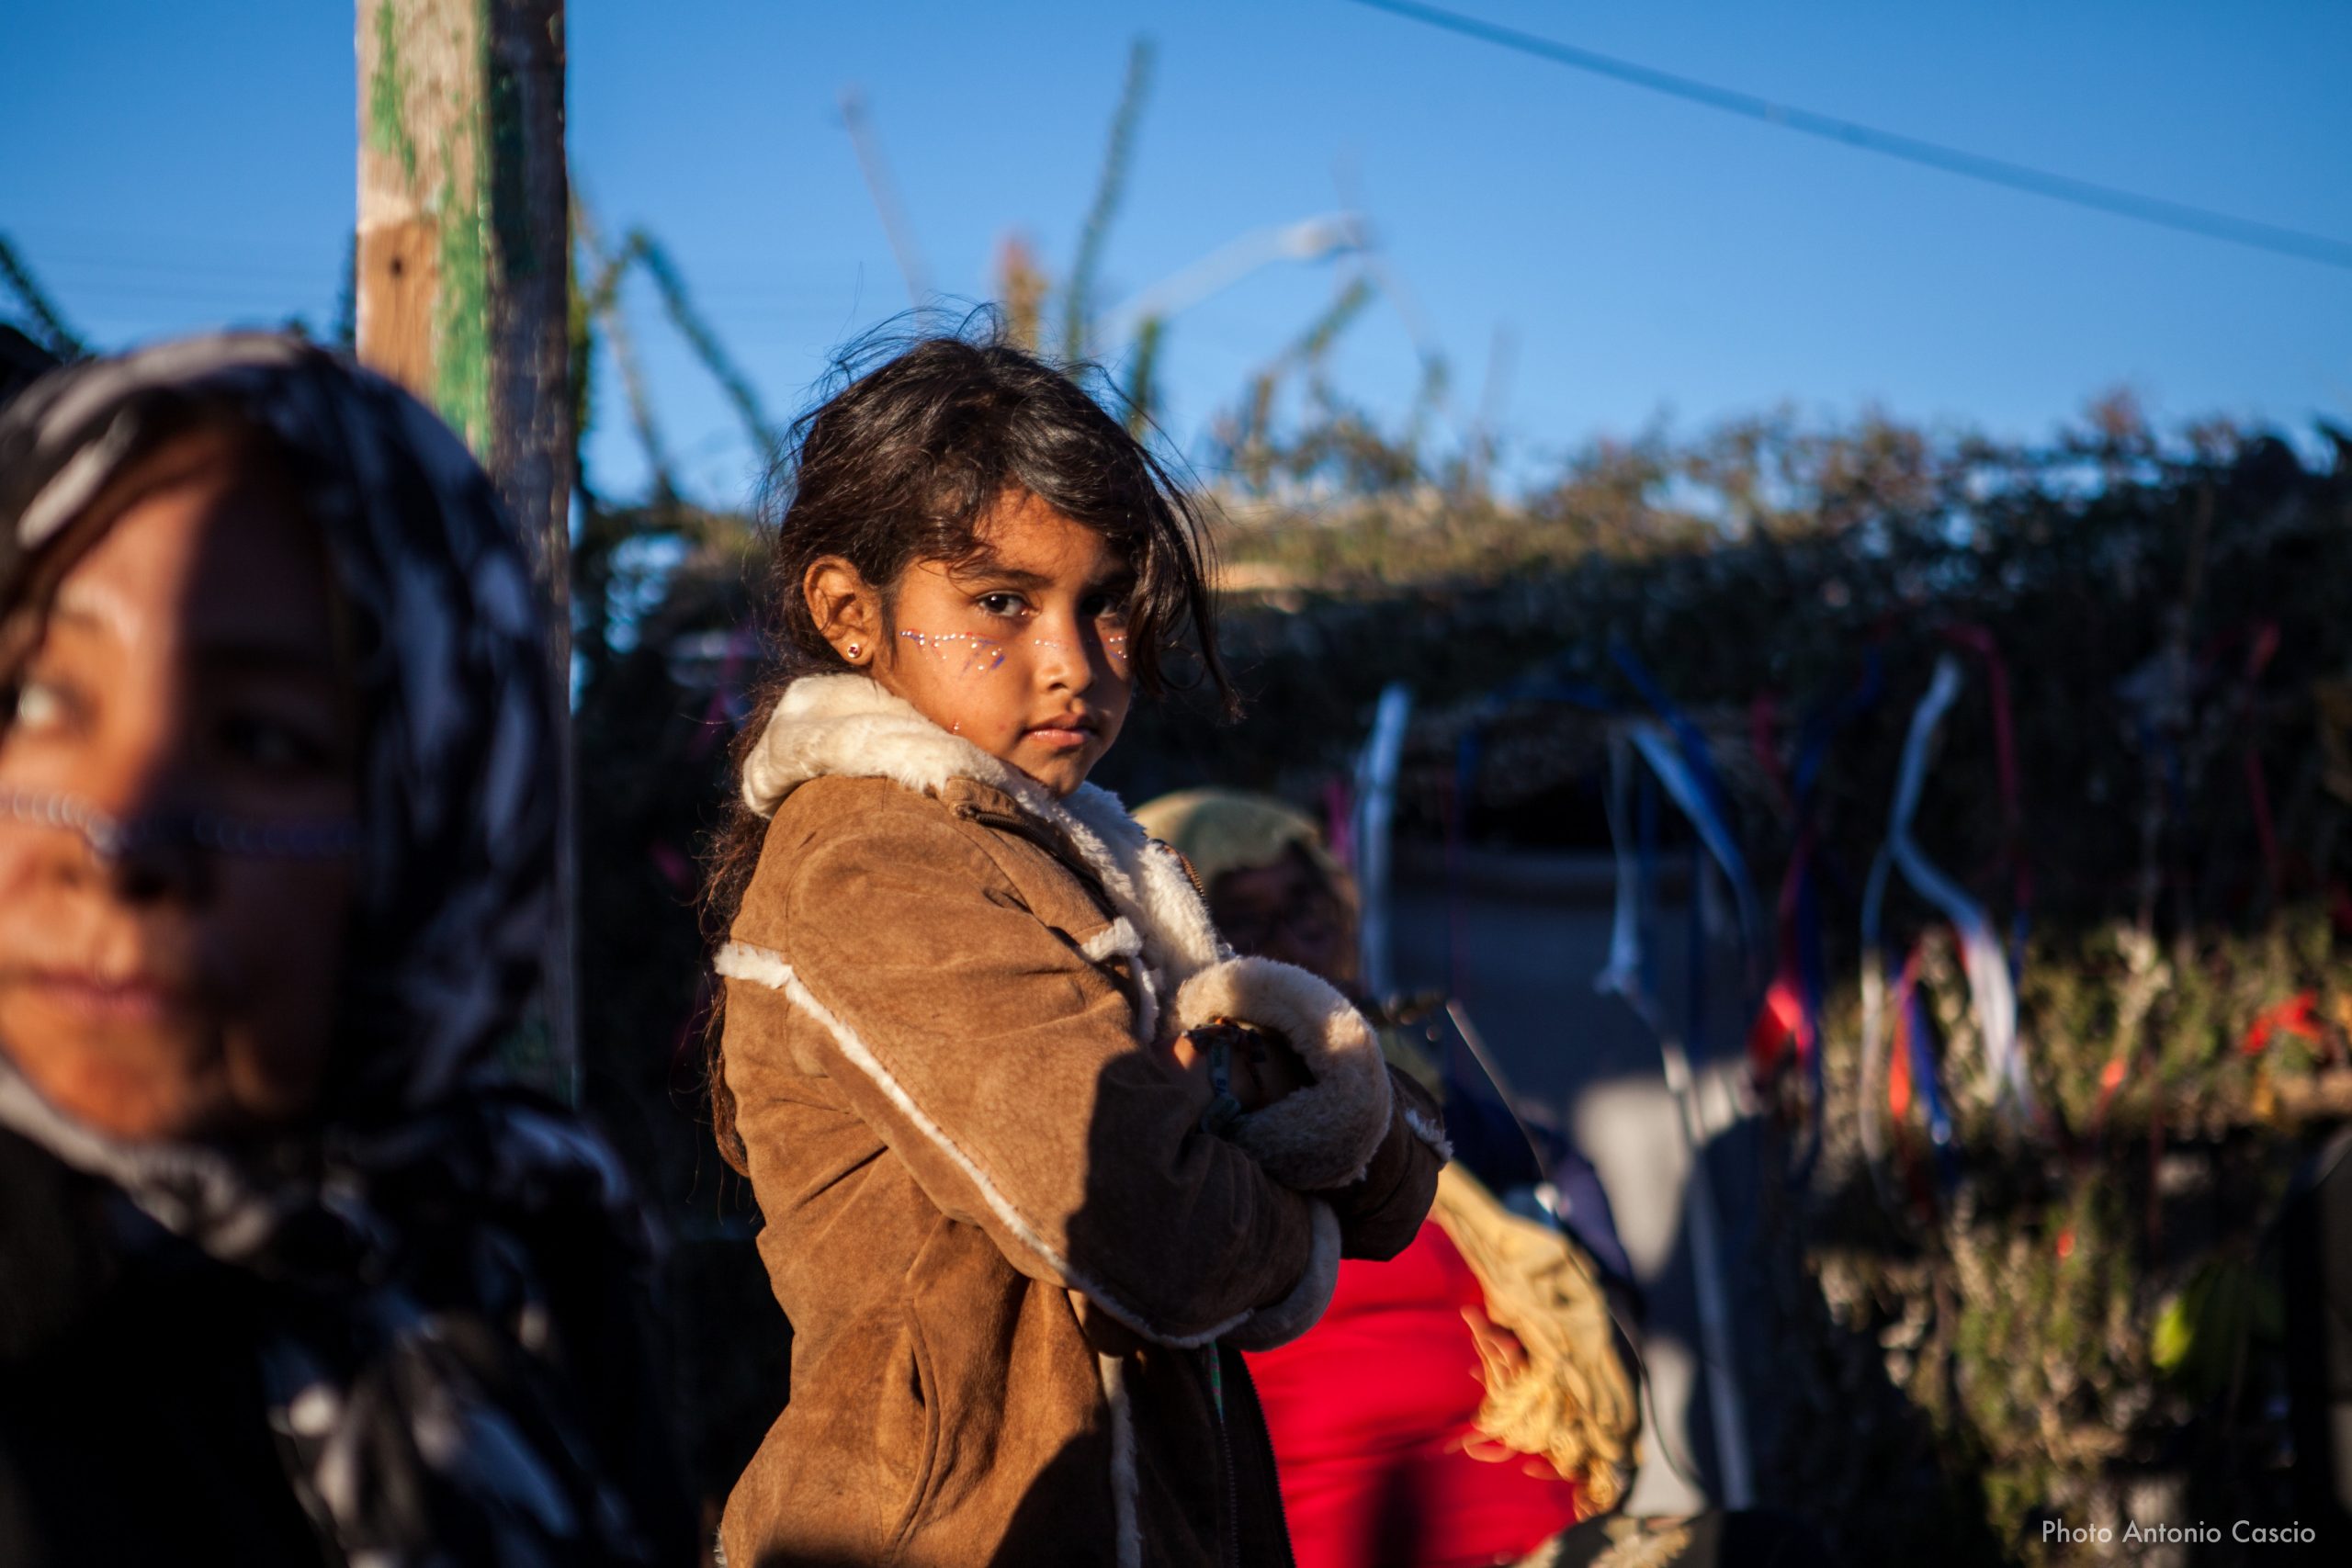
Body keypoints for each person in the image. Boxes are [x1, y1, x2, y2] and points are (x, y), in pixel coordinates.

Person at [700, 328, 1448, 1568]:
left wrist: (1255, 1111)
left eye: (1105, 602)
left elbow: (1396, 1179)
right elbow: (1142, 1228)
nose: (1076, 663)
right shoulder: (872, 856)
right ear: (847, 611)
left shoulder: (1082, 858)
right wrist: (1271, 1148)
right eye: (1001, 601)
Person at [0, 334, 695, 1567]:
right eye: (42, 702)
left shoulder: (530, 1247)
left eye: (264, 739)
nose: (120, 837)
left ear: (436, 825)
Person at [1134, 788, 1640, 1568]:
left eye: (1307, 904)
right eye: (1249, 913)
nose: (1291, 938)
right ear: (1182, 939)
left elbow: (1576, 1225)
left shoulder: (1428, 1075)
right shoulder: (1163, 1131)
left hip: (1554, 1526)